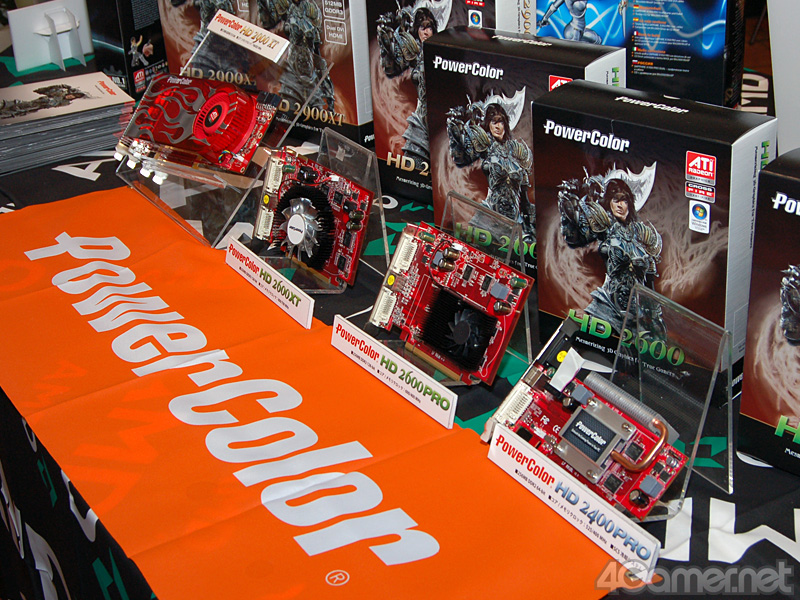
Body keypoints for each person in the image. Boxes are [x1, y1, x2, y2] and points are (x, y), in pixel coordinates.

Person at [558, 173, 662, 332]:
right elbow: (574, 238)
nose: (621, 205)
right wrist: (569, 201)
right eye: (616, 200)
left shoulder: (642, 233)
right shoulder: (606, 226)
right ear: (608, 202)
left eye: (624, 201)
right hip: (608, 308)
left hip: (636, 315)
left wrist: (653, 315)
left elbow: (650, 283)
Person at [446, 100, 534, 240]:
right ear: (488, 124)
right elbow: (461, 158)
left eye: (501, 122)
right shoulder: (486, 144)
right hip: (489, 218)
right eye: (494, 122)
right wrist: (456, 129)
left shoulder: (516, 150)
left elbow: (524, 198)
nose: (498, 126)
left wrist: (529, 224)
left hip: (513, 221)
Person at [377, 4, 437, 166]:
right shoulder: (415, 52)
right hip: (421, 120)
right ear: (417, 29)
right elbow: (391, 67)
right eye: (423, 28)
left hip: (437, 121)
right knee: (413, 163)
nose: (426, 32)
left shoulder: (442, 55)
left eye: (429, 28)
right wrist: (386, 38)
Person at [0, 84, 86, 120]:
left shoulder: (65, 102)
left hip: (38, 106)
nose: (71, 96)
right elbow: (48, 90)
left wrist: (50, 102)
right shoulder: (60, 92)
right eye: (73, 95)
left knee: (17, 112)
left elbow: (54, 105)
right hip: (37, 102)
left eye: (74, 97)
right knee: (14, 106)